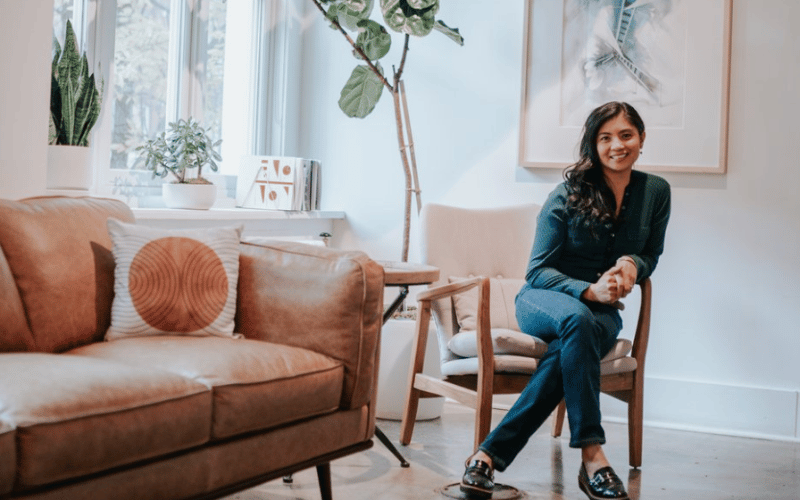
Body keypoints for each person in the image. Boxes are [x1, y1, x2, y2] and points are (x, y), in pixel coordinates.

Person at [460, 101, 671, 500]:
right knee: (577, 317)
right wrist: (588, 291)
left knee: (575, 341)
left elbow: (652, 254)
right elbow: (537, 271)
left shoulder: (656, 191)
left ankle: (487, 455)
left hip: (601, 315)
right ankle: (592, 453)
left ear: (641, 139)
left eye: (626, 135)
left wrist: (631, 264)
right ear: (593, 145)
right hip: (544, 300)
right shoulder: (568, 193)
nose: (617, 145)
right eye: (605, 137)